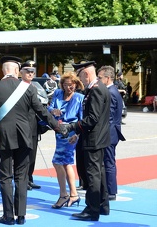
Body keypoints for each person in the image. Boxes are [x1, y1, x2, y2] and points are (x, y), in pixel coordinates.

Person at [0, 56, 67, 225]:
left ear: (3, 70)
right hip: (25, 137)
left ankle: (8, 215)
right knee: (21, 177)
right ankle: (21, 215)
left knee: (5, 177)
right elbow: (42, 112)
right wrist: (58, 127)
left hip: (4, 138)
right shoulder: (28, 88)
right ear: (17, 71)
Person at [66, 60, 111, 221]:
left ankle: (92, 209)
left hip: (93, 139)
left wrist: (72, 127)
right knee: (99, 173)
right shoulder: (97, 88)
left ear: (85, 73)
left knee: (92, 175)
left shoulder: (96, 90)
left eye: (80, 75)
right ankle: (103, 205)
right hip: (97, 138)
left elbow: (92, 119)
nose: (80, 80)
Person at [47, 72, 84, 209]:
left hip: (71, 133)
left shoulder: (80, 98)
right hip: (59, 131)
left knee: (58, 162)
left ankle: (65, 195)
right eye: (67, 85)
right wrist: (53, 111)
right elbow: (49, 107)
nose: (69, 88)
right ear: (62, 85)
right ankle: (72, 194)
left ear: (76, 85)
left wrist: (78, 135)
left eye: (72, 85)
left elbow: (82, 119)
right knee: (65, 163)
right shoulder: (57, 93)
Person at [97, 66, 126, 201]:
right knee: (107, 161)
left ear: (107, 78)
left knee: (108, 162)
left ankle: (111, 191)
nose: (98, 80)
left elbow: (109, 117)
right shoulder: (112, 91)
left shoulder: (111, 92)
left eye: (100, 77)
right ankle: (108, 189)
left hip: (109, 133)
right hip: (110, 132)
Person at [19, 60, 41, 190]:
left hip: (33, 124)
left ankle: (30, 177)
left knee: (32, 153)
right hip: (22, 124)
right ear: (21, 72)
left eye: (32, 71)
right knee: (23, 155)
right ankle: (23, 179)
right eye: (27, 71)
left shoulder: (35, 86)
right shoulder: (18, 86)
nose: (30, 74)